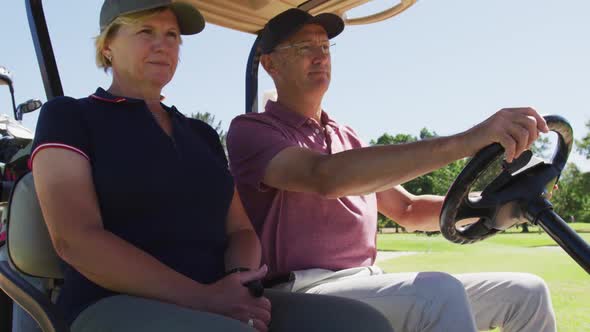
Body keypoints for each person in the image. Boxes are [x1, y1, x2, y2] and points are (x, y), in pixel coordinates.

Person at [29, 2, 392, 332]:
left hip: (218, 299)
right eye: (146, 32)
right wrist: (204, 299)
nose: (163, 45)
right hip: (109, 303)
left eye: (172, 36)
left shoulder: (200, 134)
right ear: (107, 46)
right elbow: (75, 239)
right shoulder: (69, 116)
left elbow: (241, 231)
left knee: (362, 323)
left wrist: (238, 283)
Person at [227, 8, 557, 332]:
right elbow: (323, 176)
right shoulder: (252, 131)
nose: (320, 57)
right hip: (300, 294)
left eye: (325, 47)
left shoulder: (347, 136)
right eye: (304, 48)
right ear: (269, 64)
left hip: (365, 284)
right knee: (438, 295)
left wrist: (493, 202)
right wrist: (470, 140)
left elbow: (408, 209)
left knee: (527, 293)